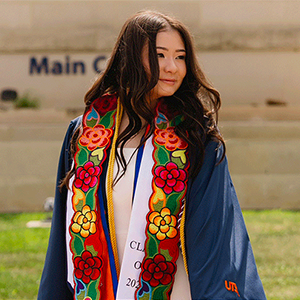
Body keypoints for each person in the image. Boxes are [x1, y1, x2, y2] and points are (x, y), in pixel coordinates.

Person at [38, 10, 266, 300]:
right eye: (160, 55)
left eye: (180, 57)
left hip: (177, 290)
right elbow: (62, 232)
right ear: (131, 57)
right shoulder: (85, 133)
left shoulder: (195, 135)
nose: (172, 67)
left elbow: (213, 232)